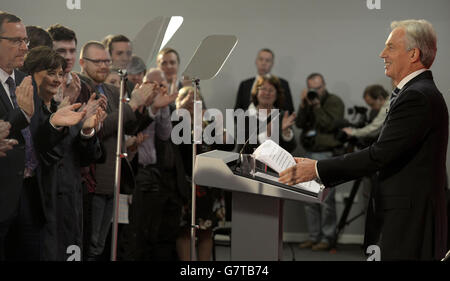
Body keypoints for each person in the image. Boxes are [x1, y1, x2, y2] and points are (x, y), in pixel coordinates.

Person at [279, 19, 448, 260]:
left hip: (408, 220)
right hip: (407, 216)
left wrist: (316, 168)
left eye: (390, 47)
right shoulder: (418, 92)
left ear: (413, 54)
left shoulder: (417, 97)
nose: (382, 54)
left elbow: (379, 155)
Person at [21, 46, 105, 260]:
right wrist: (55, 124)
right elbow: (44, 152)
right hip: (42, 203)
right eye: (51, 73)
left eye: (60, 73)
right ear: (30, 74)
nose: (57, 79)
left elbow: (86, 157)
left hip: (70, 203)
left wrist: (88, 130)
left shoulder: (66, 110)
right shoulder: (27, 113)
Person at [78, 41, 156, 260]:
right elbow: (99, 128)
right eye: (98, 61)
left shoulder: (111, 90)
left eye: (106, 61)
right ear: (82, 63)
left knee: (101, 245)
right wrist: (131, 106)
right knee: (90, 245)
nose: (104, 66)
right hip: (93, 179)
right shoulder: (80, 88)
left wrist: (147, 107)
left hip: (113, 177)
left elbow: (128, 127)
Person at [175, 86, 234, 261]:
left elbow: (228, 146)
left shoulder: (210, 125)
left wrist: (218, 128)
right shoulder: (175, 124)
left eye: (196, 100)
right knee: (184, 230)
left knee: (206, 231)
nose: (193, 103)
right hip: (185, 185)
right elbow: (182, 152)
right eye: (188, 99)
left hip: (208, 187)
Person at [295, 72, 344, 251]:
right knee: (309, 198)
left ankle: (327, 238)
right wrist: (303, 105)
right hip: (309, 153)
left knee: (326, 199)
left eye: (318, 87)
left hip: (327, 155)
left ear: (324, 85)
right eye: (312, 88)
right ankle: (314, 236)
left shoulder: (334, 101)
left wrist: (316, 106)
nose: (315, 91)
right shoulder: (308, 101)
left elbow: (329, 125)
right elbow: (300, 123)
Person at [237, 75, 296, 154]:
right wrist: (267, 134)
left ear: (277, 95)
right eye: (263, 89)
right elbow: (243, 150)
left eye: (271, 90)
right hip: (253, 165)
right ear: (256, 92)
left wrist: (285, 133)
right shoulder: (244, 116)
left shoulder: (282, 116)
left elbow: (291, 149)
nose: (267, 93)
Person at [234, 48, 294, 113]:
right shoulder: (245, 84)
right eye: (261, 59)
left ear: (272, 64)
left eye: (267, 60)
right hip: (248, 122)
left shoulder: (282, 84)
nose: (263, 63)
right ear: (256, 61)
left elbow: (289, 110)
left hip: (275, 121)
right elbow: (237, 111)